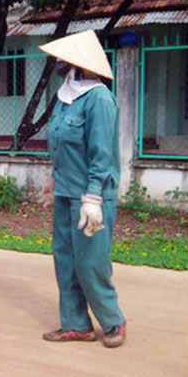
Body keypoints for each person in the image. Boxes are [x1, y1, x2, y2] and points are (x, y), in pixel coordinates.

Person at [39, 30, 126, 348]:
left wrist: (93, 197)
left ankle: (113, 321)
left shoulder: (99, 99)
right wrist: (54, 177)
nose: (60, 65)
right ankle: (76, 324)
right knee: (65, 259)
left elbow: (101, 153)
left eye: (65, 60)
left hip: (91, 196)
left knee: (90, 261)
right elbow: (61, 142)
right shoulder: (65, 97)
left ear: (80, 64)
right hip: (65, 192)